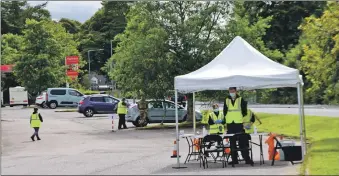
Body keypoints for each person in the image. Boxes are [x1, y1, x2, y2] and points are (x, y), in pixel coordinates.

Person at [223, 87, 253, 165]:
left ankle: (246, 158)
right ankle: (234, 159)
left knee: (242, 142)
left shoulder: (240, 99)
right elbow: (224, 110)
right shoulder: (226, 99)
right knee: (232, 143)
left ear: (236, 91)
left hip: (238, 123)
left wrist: (239, 116)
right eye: (230, 91)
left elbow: (244, 111)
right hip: (230, 123)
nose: (231, 92)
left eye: (233, 91)